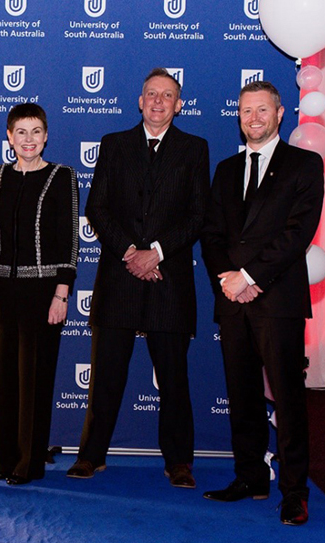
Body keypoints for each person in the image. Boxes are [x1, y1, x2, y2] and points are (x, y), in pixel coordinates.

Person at [67, 68, 209, 489]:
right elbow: (98, 207)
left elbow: (198, 215)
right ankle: (91, 456)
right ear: (140, 100)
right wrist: (131, 253)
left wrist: (157, 253)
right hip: (120, 277)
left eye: (168, 95)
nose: (159, 101)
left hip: (170, 280)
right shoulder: (114, 145)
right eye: (151, 94)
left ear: (179, 104)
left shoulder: (194, 149)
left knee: (174, 381)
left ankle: (179, 462)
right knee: (107, 377)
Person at [201, 81, 323, 526]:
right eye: (245, 110)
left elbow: (298, 232)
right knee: (242, 396)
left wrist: (250, 277)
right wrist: (231, 281)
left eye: (262, 110)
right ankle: (250, 477)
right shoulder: (226, 170)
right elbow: (211, 235)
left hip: (278, 301)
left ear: (280, 112)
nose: (253, 118)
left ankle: (294, 493)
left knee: (288, 401)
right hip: (233, 302)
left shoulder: (304, 164)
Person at [0, 103, 78, 485]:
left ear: (46, 135)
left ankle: (30, 462)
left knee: (35, 380)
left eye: (36, 131)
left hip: (42, 292)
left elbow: (70, 240)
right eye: (20, 132)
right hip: (0, 290)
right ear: (9, 136)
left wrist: (61, 294)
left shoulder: (62, 176)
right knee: (5, 378)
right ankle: (5, 459)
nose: (28, 139)